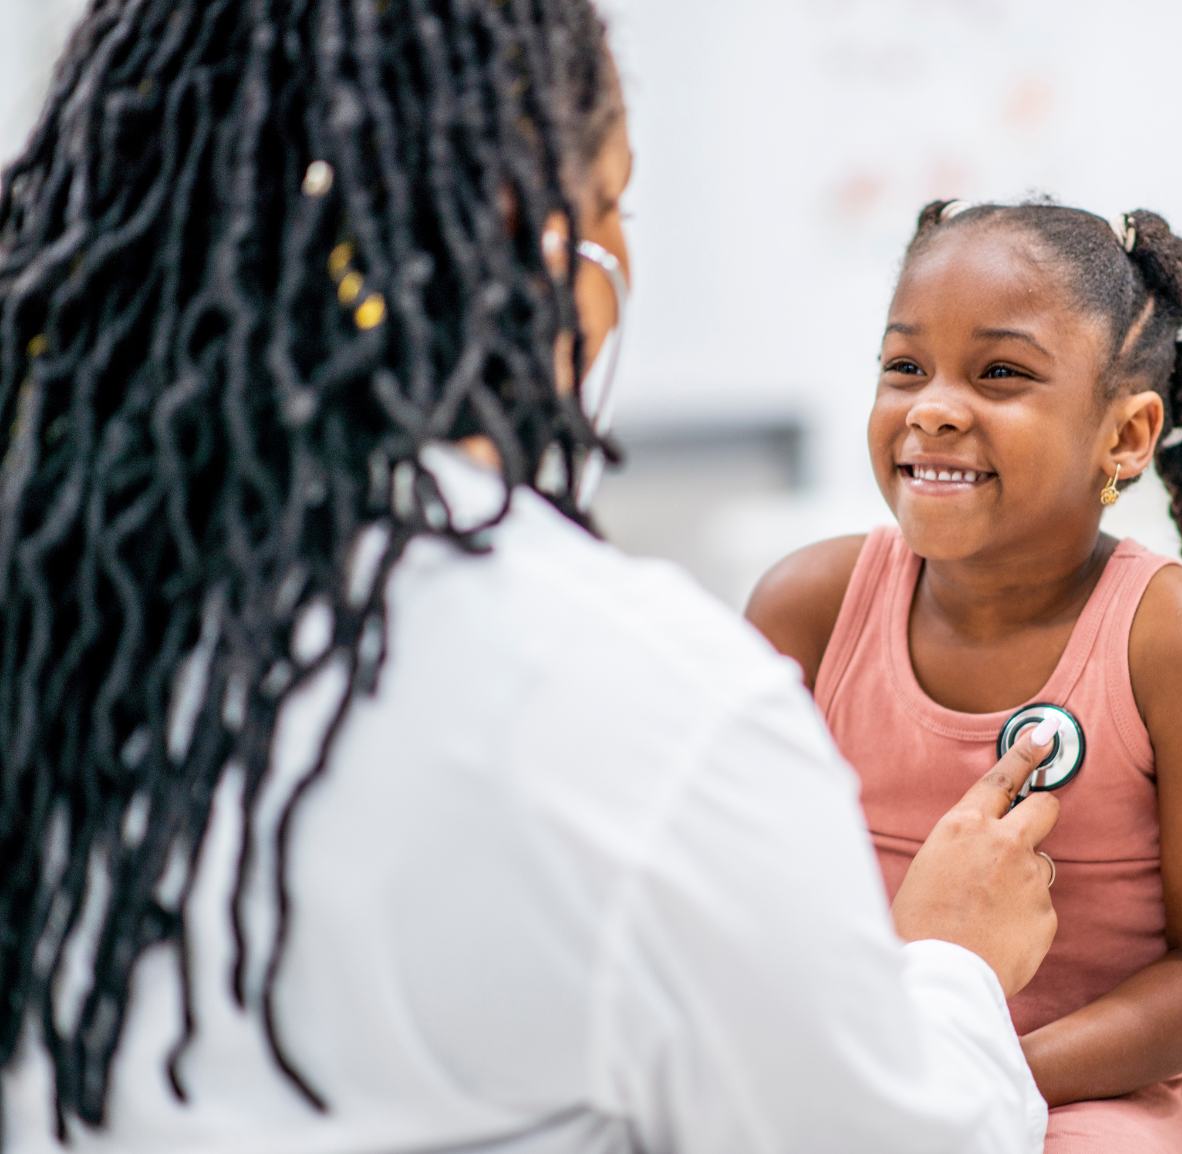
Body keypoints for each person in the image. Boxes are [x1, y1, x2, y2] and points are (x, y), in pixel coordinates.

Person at [0, 5, 1064, 1152]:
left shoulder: (62, 610)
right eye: (614, 203)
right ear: (527, 231)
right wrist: (956, 961)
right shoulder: (642, 700)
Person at [747, 200, 1182, 1151]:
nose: (933, 406)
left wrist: (979, 1077)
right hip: (852, 1068)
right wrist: (873, 1074)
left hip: (1082, 1098)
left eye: (1001, 373)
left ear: (1125, 437)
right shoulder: (810, 607)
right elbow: (744, 897)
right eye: (904, 367)